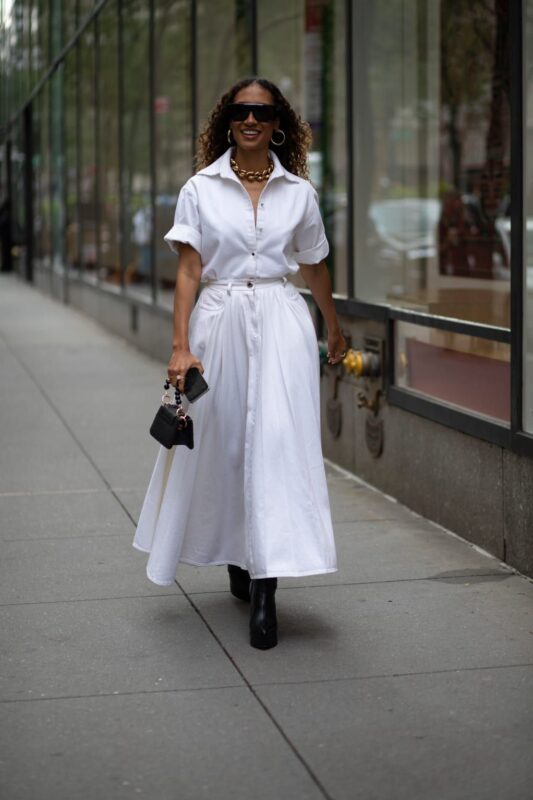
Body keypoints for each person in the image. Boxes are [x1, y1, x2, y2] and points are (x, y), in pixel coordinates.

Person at [133, 77, 347, 650]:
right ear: (227, 120)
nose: (251, 119)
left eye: (262, 111)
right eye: (240, 110)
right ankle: (237, 552)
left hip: (281, 321)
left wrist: (333, 325)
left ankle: (266, 589)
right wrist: (180, 346)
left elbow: (314, 267)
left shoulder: (299, 193)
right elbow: (187, 272)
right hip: (220, 319)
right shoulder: (200, 189)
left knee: (276, 443)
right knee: (227, 444)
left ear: (279, 123)